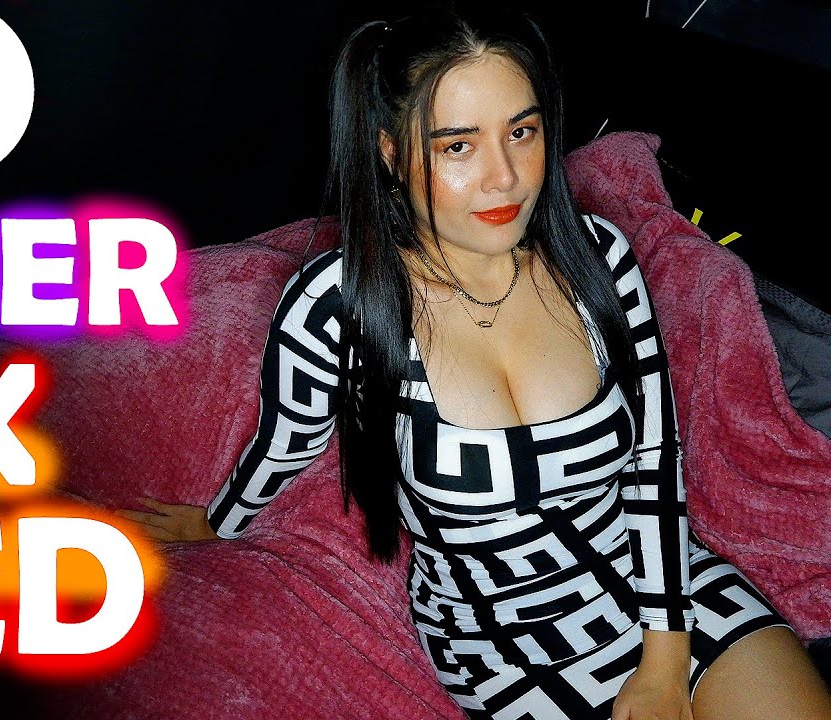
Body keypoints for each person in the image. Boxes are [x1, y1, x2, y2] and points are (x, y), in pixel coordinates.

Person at [115, 2, 831, 719]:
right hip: (499, 640)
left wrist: (666, 663)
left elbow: (653, 464)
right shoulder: (337, 305)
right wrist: (216, 523)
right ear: (391, 153)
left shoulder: (599, 257)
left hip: (665, 595)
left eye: (521, 132)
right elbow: (288, 442)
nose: (504, 178)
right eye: (458, 146)